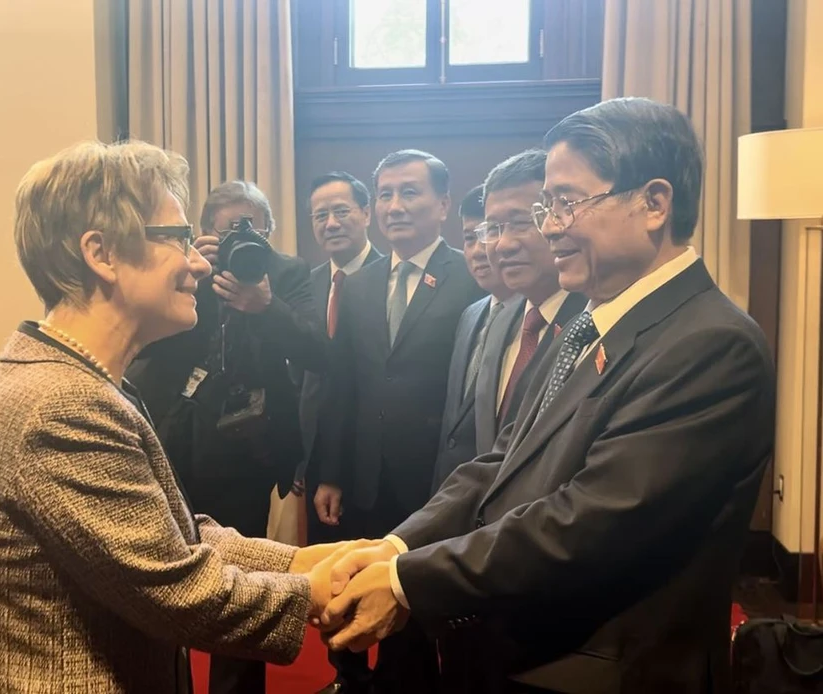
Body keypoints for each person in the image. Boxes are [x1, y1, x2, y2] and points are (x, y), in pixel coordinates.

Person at [320, 98, 776, 694]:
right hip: (518, 655)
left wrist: (406, 580)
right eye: (546, 206)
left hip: (607, 670)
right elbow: (499, 463)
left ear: (654, 204)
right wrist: (397, 542)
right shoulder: (588, 323)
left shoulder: (711, 343)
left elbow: (588, 522)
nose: (549, 225)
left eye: (566, 202)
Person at [0, 140, 359, 694]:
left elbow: (180, 535)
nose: (198, 261)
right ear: (103, 255)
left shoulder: (88, 380)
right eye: (179, 239)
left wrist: (305, 559)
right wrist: (318, 588)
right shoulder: (63, 405)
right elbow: (178, 591)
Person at [127, 179, 327, 694]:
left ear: (269, 229)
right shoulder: (186, 267)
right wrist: (194, 271)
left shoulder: (287, 272)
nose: (242, 238)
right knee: (162, 570)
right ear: (204, 235)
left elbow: (316, 353)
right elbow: (150, 343)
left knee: (240, 582)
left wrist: (265, 306)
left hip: (247, 447)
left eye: (252, 227)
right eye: (226, 229)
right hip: (176, 437)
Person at [316, 149, 485, 692]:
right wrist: (331, 471)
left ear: (442, 203)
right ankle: (357, 679)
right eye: (385, 194)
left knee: (416, 598)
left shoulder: (472, 278)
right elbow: (342, 387)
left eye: (409, 192)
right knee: (357, 584)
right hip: (368, 472)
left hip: (436, 478)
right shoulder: (360, 283)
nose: (395, 206)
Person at [298, 171, 383, 693]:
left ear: (366, 213)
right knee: (334, 571)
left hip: (377, 453)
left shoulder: (387, 276)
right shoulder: (307, 283)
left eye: (341, 211)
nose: (330, 223)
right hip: (318, 451)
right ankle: (347, 675)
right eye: (320, 215)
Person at [470, 150, 586, 467]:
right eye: (492, 228)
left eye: (520, 223)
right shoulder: (500, 318)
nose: (503, 244)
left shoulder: (592, 323)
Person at [430, 185, 515, 493]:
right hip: (453, 495)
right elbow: (450, 430)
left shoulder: (540, 323)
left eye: (490, 234)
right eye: (469, 238)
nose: (480, 249)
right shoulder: (470, 316)